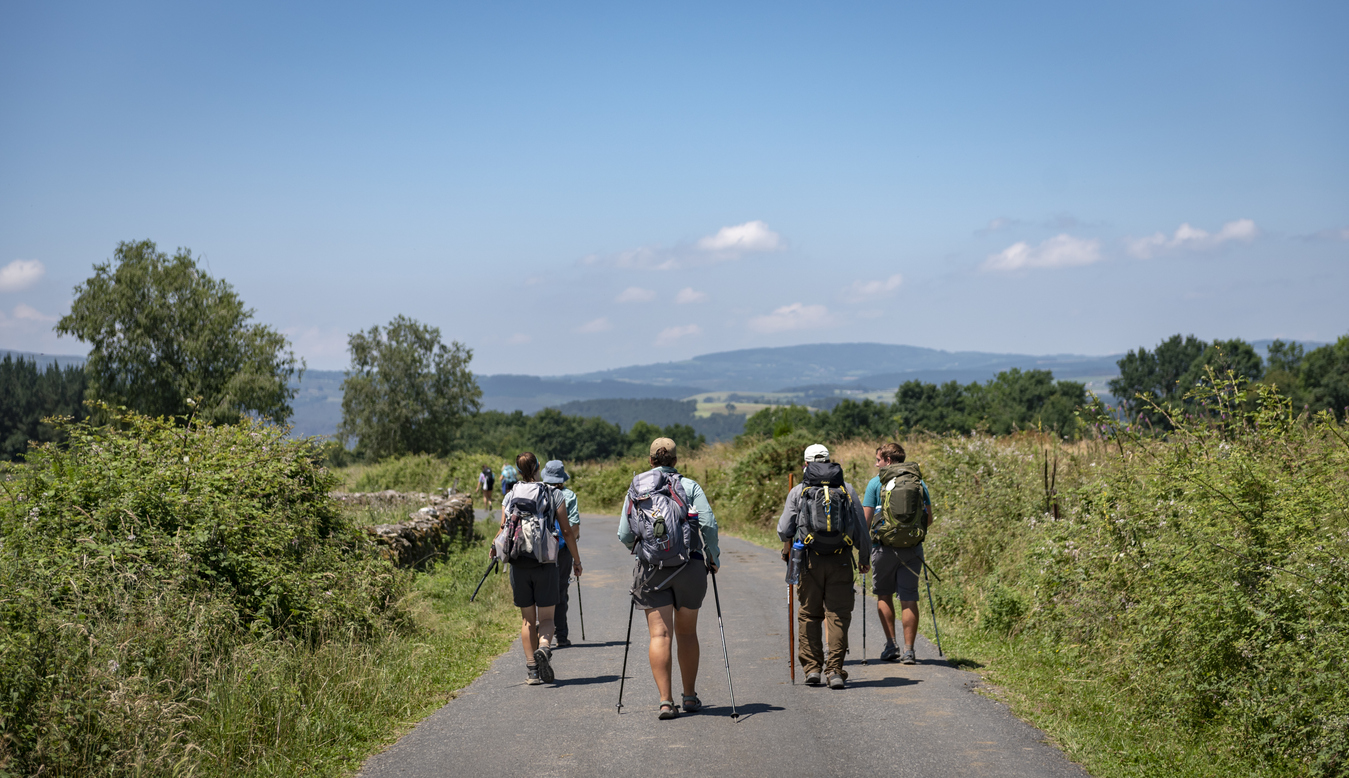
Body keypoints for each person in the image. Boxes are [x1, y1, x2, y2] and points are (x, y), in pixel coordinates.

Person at [618, 437, 721, 720]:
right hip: (689, 565)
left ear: (650, 460)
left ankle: (665, 701)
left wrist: (644, 550)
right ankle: (689, 696)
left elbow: (624, 534)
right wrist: (713, 556)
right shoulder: (689, 486)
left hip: (652, 570)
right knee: (686, 633)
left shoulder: (638, 488)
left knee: (659, 634)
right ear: (676, 461)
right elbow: (708, 524)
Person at [777, 443, 870, 689]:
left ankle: (812, 669)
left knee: (809, 614)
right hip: (841, 559)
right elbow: (861, 528)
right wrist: (864, 558)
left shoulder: (799, 491)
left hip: (808, 559)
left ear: (805, 464)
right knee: (837, 614)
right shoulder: (847, 490)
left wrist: (789, 543)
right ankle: (835, 671)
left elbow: (783, 529)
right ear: (830, 461)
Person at [491, 452, 583, 685]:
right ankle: (544, 648)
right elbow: (567, 531)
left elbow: (503, 528)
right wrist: (576, 560)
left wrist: (494, 549)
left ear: (518, 470)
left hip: (519, 563)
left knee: (527, 621)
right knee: (548, 617)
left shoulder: (510, 494)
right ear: (538, 468)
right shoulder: (554, 494)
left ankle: (532, 671)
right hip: (546, 562)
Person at [863, 442, 933, 665]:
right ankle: (910, 650)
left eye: (878, 460)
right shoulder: (918, 482)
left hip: (883, 548)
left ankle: (891, 645)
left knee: (884, 595)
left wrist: (863, 551)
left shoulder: (876, 483)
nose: (876, 464)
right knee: (909, 597)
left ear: (888, 461)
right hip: (912, 549)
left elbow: (865, 521)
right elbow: (928, 519)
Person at [541, 459, 581, 648]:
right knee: (560, 591)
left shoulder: (538, 492)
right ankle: (561, 635)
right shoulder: (568, 495)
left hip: (539, 549)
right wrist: (576, 558)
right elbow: (573, 528)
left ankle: (541, 634)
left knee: (542, 591)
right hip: (562, 550)